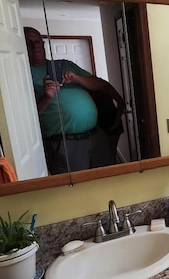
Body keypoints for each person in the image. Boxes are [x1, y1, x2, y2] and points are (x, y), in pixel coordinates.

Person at [24, 27, 125, 174]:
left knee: (107, 179)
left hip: (96, 135)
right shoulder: (23, 73)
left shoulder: (64, 65)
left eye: (38, 42)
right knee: (75, 191)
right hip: (64, 143)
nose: (34, 46)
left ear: (43, 44)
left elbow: (100, 84)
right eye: (29, 43)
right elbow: (27, 119)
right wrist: (47, 96)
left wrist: (76, 78)